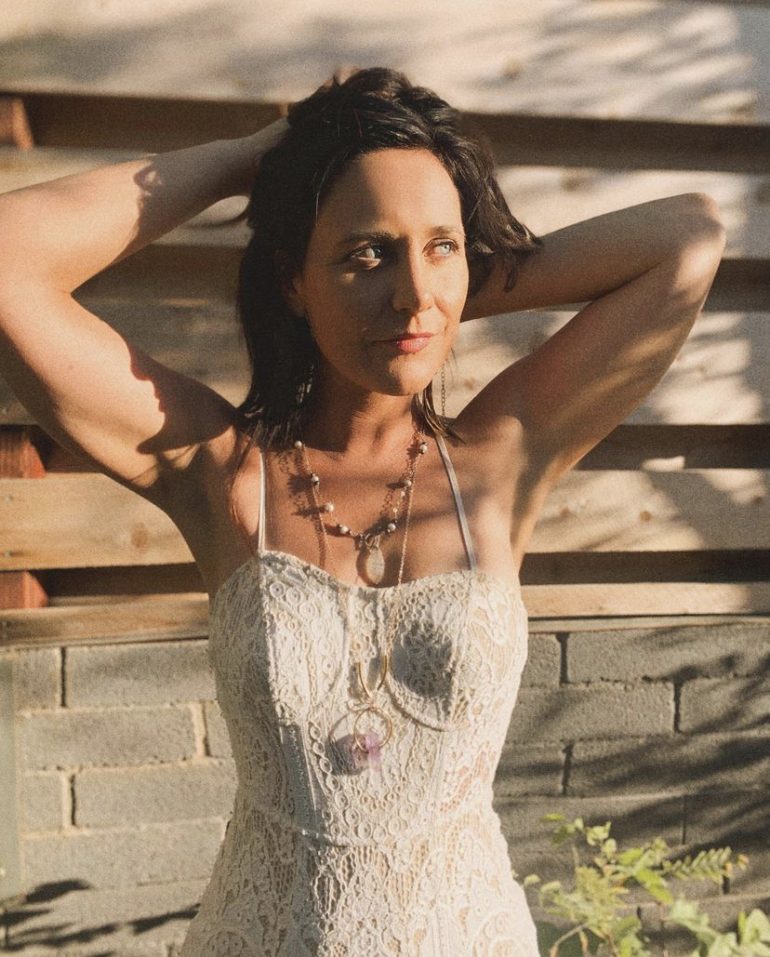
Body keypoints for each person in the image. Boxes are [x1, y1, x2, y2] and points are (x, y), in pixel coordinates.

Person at [0, 68, 725, 955]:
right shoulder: (217, 469)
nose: (410, 290)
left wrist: (441, 294)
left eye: (441, 245)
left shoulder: (502, 456)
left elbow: (689, 238)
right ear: (292, 281)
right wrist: (245, 160)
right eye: (365, 254)